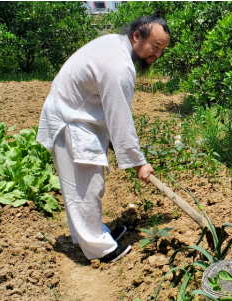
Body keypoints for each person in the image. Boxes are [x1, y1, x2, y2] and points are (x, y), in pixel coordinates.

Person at [36, 13, 170, 262]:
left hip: (79, 116)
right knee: (85, 188)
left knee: (88, 185)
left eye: (162, 50)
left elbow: (111, 110)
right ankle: (100, 249)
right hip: (70, 120)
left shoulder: (117, 46)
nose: (157, 55)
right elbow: (119, 116)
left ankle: (97, 233)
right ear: (137, 36)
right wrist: (139, 163)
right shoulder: (118, 66)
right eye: (155, 47)